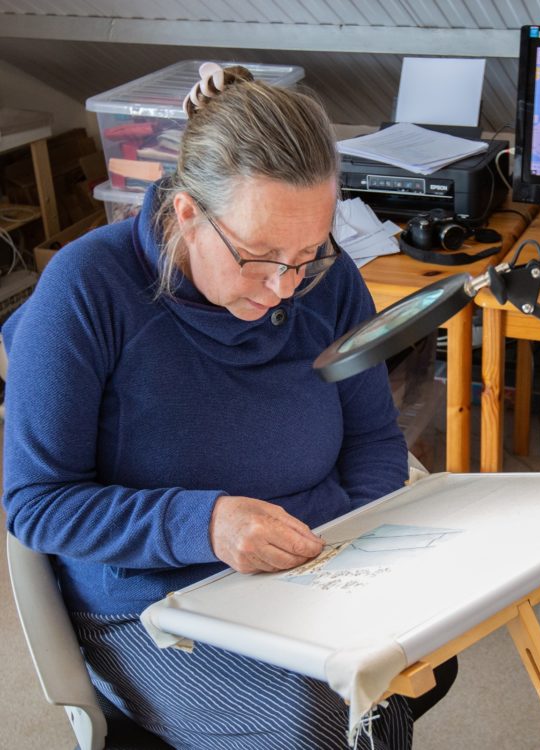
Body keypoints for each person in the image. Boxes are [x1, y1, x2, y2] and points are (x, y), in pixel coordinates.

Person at [2, 64, 455, 749]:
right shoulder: (86, 290)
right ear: (188, 214)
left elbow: (373, 442)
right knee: (326, 723)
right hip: (158, 604)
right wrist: (204, 523)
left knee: (412, 666)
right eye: (260, 256)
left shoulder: (326, 284)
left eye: (307, 254)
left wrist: (337, 549)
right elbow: (37, 504)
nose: (283, 286)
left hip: (315, 567)